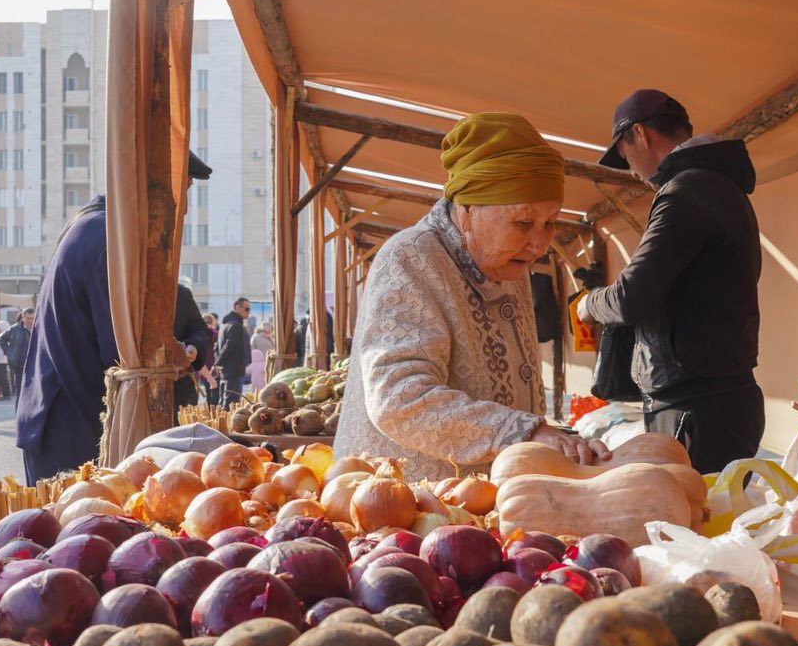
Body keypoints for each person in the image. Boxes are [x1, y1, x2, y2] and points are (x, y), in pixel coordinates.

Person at [333, 113, 606, 481]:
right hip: (407, 504)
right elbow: (398, 399)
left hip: (486, 500)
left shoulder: (510, 263)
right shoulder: (411, 258)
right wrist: (523, 432)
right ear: (467, 211)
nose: (540, 244)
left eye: (550, 222)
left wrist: (561, 440)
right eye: (523, 223)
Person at [580, 88, 763, 473]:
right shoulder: (718, 187)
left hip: (696, 406)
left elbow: (631, 296)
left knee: (693, 524)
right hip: (716, 398)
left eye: (625, 153)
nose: (630, 168)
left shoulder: (686, 192)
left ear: (641, 134)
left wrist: (589, 303)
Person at [18, 152, 212, 484]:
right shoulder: (109, 239)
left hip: (68, 419)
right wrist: (172, 355)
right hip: (72, 430)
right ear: (158, 189)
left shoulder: (96, 226)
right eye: (185, 191)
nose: (185, 209)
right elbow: (127, 350)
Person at [218, 298, 252, 404]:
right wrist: (218, 363)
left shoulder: (225, 325)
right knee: (231, 400)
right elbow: (228, 346)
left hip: (228, 369)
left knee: (225, 398)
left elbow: (217, 347)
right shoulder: (236, 326)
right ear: (237, 307)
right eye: (247, 309)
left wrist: (218, 363)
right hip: (234, 369)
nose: (248, 312)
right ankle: (226, 420)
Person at [0, 308, 31, 400]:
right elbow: (1, 339)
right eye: (28, 318)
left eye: (32, 318)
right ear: (23, 318)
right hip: (20, 366)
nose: (30, 321)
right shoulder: (15, 329)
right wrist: (8, 352)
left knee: (33, 394)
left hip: (35, 367)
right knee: (20, 394)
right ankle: (19, 414)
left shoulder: (39, 328)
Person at [248, 320, 274, 388]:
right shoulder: (259, 337)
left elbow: (251, 350)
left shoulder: (267, 337)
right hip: (265, 362)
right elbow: (252, 350)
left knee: (260, 381)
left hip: (262, 363)